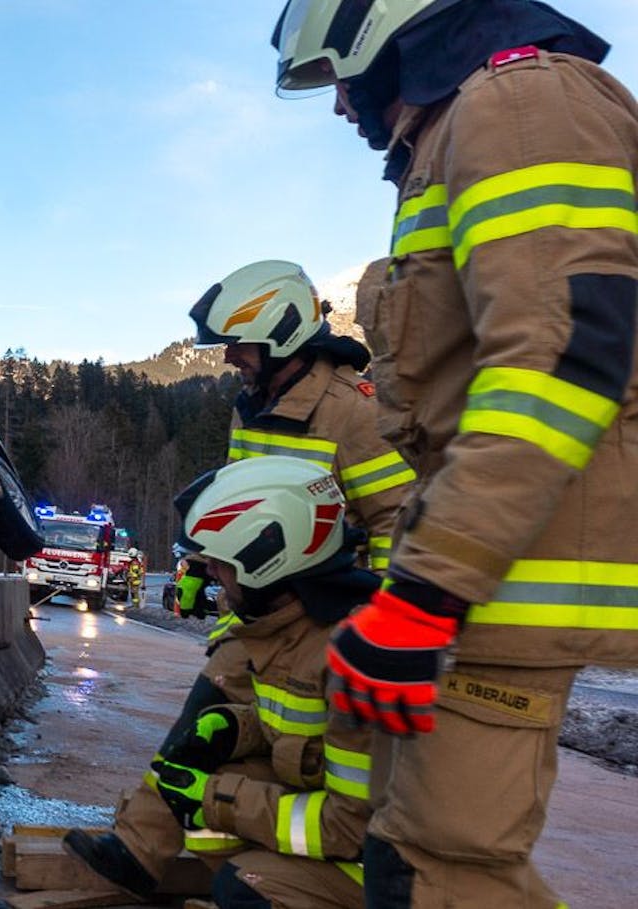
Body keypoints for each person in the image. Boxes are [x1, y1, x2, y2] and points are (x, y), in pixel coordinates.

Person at [272, 1, 638, 905]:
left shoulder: (519, 105)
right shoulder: (464, 128)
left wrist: (427, 593)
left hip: (505, 577)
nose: (339, 107)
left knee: (443, 875)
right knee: (411, 858)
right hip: (480, 577)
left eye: (337, 77)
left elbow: (564, 354)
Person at [63, 259, 417, 903]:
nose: (229, 358)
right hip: (254, 604)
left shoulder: (352, 415)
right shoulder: (251, 407)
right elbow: (233, 501)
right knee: (205, 729)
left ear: (280, 332)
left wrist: (388, 622)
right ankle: (147, 849)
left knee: (255, 738)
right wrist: (200, 567)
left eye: (239, 343)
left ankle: (216, 857)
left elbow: (398, 521)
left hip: (317, 619)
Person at [72, 456, 379, 908]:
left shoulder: (351, 657)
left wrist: (216, 798)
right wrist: (239, 727)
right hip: (350, 837)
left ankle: (270, 886)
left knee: (241, 884)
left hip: (384, 870)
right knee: (202, 775)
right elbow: (304, 734)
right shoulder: (293, 631)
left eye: (221, 562)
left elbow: (350, 826)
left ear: (267, 559)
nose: (210, 571)